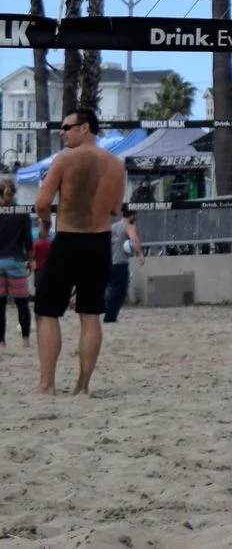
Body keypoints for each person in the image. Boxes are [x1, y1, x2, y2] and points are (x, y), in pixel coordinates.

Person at [34, 107, 127, 395]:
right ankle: (82, 386)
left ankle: (47, 384)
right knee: (90, 315)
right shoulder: (116, 164)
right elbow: (115, 208)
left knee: (47, 312)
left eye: (66, 127)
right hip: (99, 241)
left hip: (68, 239)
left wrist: (47, 223)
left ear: (85, 127)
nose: (62, 131)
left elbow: (42, 201)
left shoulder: (64, 160)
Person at [0, 192, 32, 347]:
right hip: (15, 260)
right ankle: (25, 340)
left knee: (0, 304)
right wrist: (31, 260)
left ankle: (1, 341)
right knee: (22, 303)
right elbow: (28, 239)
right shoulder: (22, 212)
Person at [103, 203, 141, 322]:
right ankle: (110, 317)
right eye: (135, 215)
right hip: (120, 263)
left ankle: (109, 314)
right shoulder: (129, 226)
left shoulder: (113, 227)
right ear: (132, 215)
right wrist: (139, 253)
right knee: (120, 291)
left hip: (110, 263)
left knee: (112, 289)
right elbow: (134, 239)